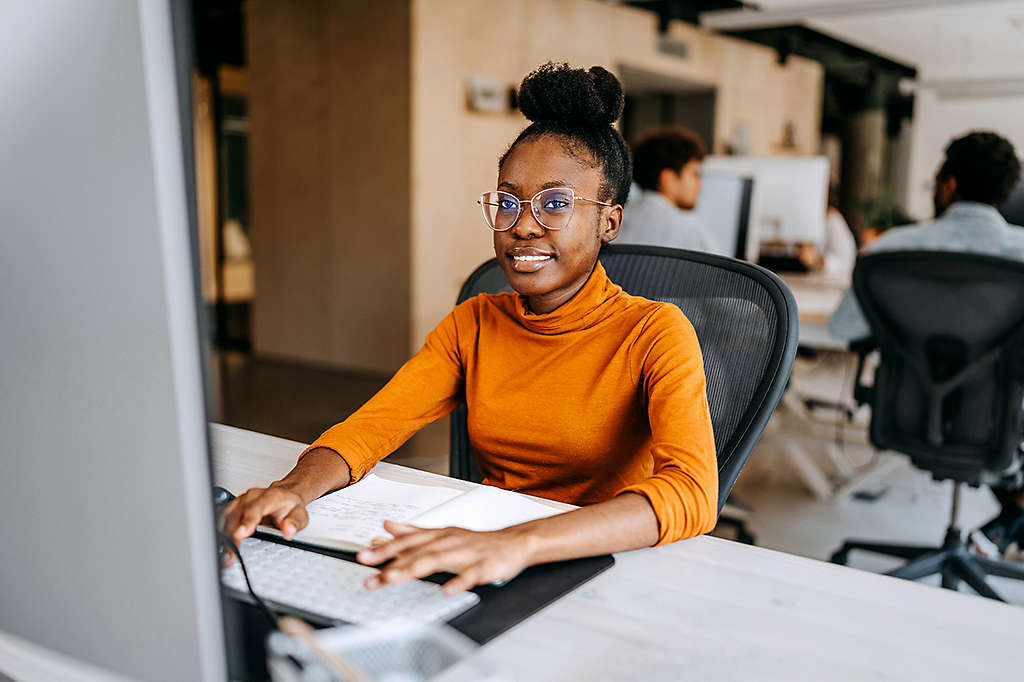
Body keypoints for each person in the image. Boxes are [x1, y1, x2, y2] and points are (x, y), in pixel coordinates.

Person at [221, 63, 718, 594]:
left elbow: (692, 492)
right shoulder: (476, 322)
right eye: (507, 201)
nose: (523, 224)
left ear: (609, 222)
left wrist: (521, 543)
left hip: (602, 564)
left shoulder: (656, 332)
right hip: (483, 545)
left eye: (555, 204)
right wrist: (291, 489)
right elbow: (372, 426)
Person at [828, 130, 1024, 559]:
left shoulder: (890, 251)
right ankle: (1005, 529)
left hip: (906, 413)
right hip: (997, 426)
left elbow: (842, 329)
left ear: (948, 185)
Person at [620, 127, 721, 253]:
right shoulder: (689, 230)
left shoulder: (616, 222)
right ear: (668, 179)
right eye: (694, 175)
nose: (700, 185)